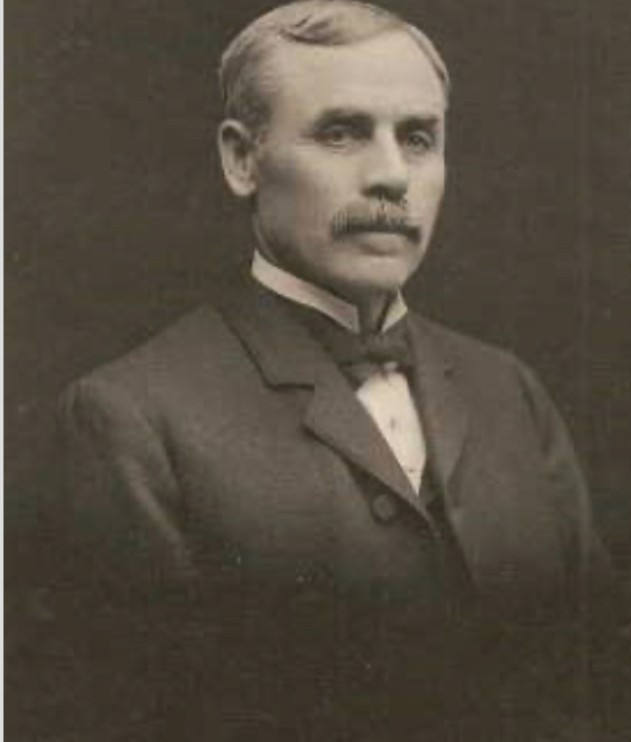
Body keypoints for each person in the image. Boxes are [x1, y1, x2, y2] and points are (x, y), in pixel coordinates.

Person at [54, 1, 612, 740]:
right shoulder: (134, 421)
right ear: (241, 159)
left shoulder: (509, 390)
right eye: (341, 133)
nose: (390, 176)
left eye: (417, 138)